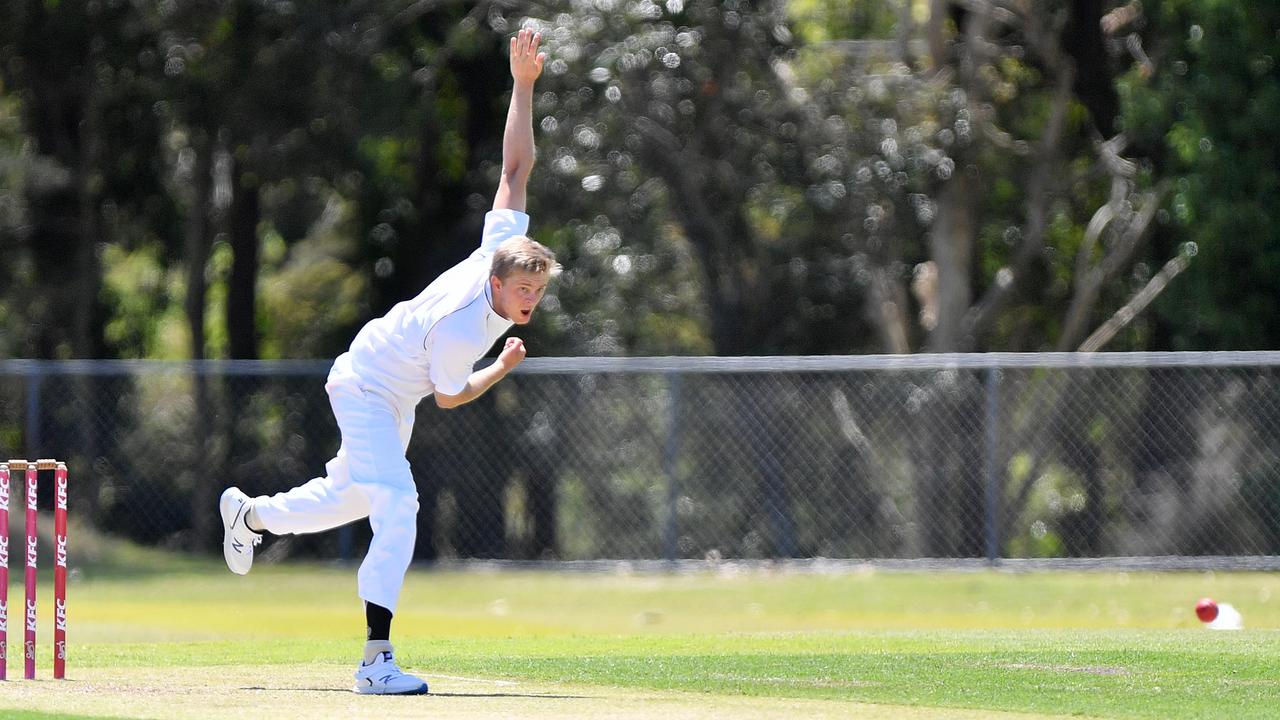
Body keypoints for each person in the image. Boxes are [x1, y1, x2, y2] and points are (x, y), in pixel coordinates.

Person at [217, 27, 553, 696]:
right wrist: (502, 369)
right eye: (523, 292)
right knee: (398, 504)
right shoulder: (464, 326)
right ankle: (376, 662)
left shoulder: (500, 250)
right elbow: (451, 398)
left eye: (538, 293)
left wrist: (521, 86)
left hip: (388, 389)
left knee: (348, 497)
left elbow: (515, 173)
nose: (529, 302)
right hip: (367, 382)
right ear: (497, 282)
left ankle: (250, 517)